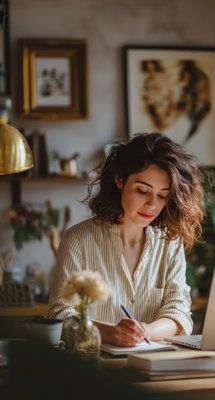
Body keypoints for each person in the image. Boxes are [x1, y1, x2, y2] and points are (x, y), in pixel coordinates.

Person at [45, 133, 205, 347]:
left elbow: (179, 312)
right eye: (142, 190)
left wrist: (146, 330)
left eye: (162, 195)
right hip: (94, 369)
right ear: (120, 180)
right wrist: (110, 333)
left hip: (155, 367)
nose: (152, 205)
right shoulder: (79, 240)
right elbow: (59, 314)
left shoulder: (170, 242)